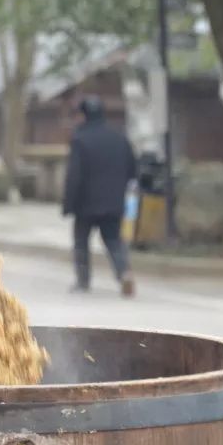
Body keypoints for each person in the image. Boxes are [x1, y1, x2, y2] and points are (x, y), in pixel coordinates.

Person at [62, 95, 138, 296]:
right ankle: (124, 273)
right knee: (113, 240)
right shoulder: (119, 138)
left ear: (84, 114)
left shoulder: (80, 139)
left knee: (81, 242)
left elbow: (74, 176)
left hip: (86, 203)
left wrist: (68, 204)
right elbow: (132, 170)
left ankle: (83, 280)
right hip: (113, 201)